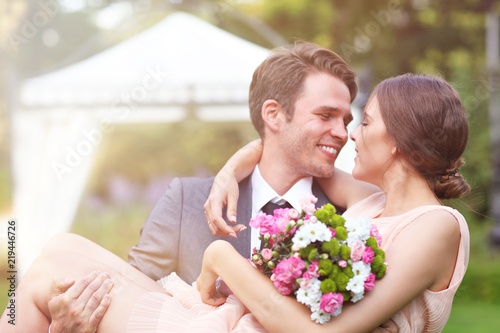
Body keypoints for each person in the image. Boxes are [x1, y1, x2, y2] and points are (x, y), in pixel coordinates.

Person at [0, 72, 469, 332]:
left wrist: (220, 254)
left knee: (46, 277)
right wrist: (231, 169)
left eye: (364, 123)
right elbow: (288, 148)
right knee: (58, 250)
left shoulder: (437, 226)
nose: (349, 135)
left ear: (399, 144)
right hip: (229, 319)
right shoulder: (373, 204)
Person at [126, 41, 358, 285]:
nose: (343, 133)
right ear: (273, 114)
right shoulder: (186, 201)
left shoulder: (351, 218)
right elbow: (131, 290)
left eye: (345, 120)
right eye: (325, 116)